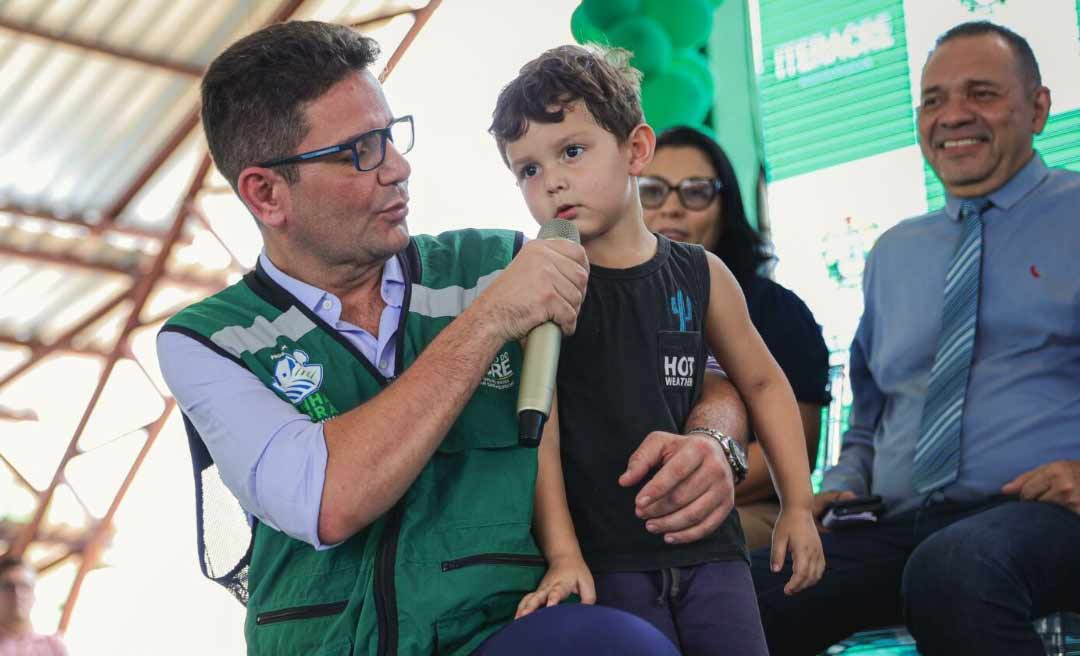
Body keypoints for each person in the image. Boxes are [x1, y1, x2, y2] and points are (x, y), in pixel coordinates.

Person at [157, 20, 750, 656]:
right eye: (360, 152)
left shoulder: (506, 263)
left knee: (617, 646)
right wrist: (490, 320)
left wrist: (714, 441)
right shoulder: (207, 342)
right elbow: (324, 498)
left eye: (391, 136)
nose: (398, 168)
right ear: (266, 193)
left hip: (502, 634)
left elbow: (697, 373)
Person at [749, 21, 1080, 656]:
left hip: (1049, 517)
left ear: (1039, 108)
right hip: (902, 522)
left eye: (981, 93)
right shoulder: (894, 252)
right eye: (933, 100)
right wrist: (842, 483)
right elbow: (870, 417)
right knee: (736, 592)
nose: (953, 116)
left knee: (954, 570)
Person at [489, 44, 824, 655]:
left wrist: (797, 505)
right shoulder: (541, 287)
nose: (552, 180)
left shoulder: (702, 273)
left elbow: (763, 383)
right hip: (608, 561)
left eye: (571, 151)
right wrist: (563, 554)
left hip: (713, 551)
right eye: (528, 170)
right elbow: (541, 433)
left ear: (635, 150)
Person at [641, 126, 831, 550]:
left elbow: (799, 445)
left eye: (695, 192)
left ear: (725, 207)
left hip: (745, 509)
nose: (672, 207)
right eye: (652, 191)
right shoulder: (601, 303)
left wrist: (684, 490)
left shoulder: (777, 309)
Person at [0, 557, 68, 656]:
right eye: (9, 587)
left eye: (25, 586)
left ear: (34, 593)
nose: (18, 594)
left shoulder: (54, 647)